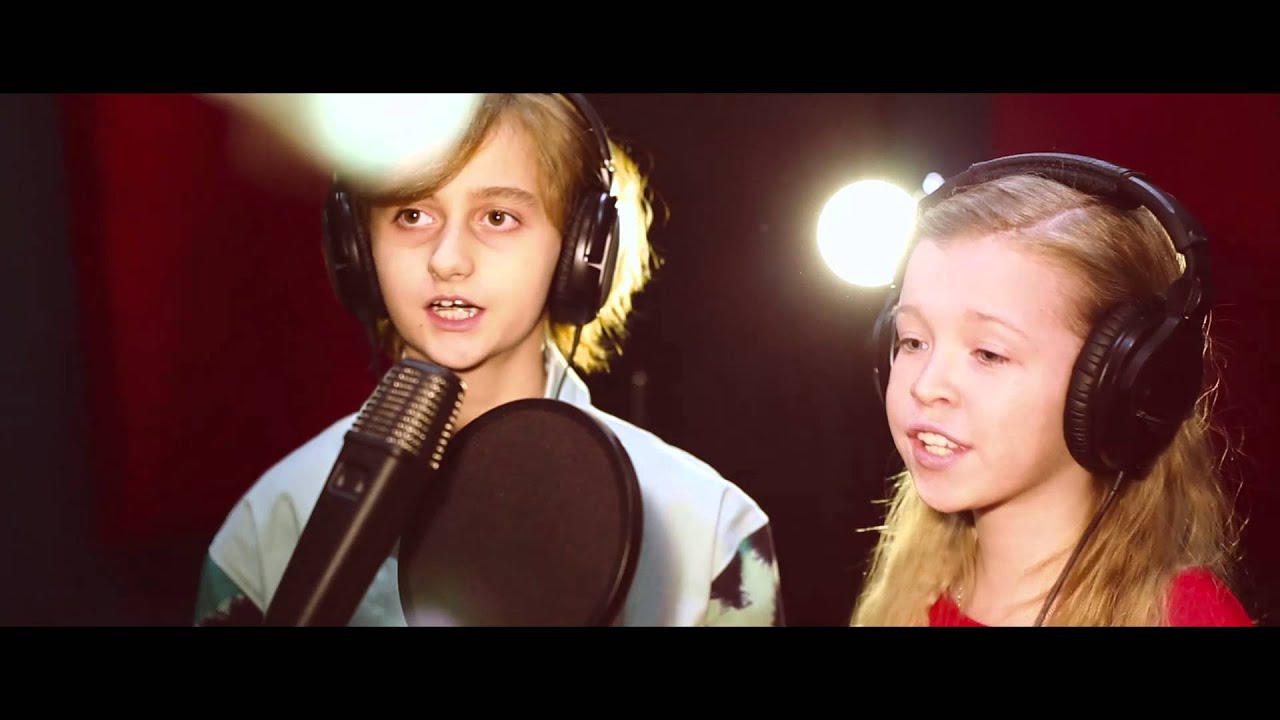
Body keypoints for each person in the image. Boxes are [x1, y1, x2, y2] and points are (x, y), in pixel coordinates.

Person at [192, 93, 783, 627]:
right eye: (412, 215)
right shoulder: (274, 523)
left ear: (582, 252)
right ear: (356, 249)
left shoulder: (706, 531)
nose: (448, 259)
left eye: (498, 217)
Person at [851, 153, 1252, 627]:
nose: (926, 386)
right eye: (912, 341)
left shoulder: (1183, 618)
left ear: (1118, 382)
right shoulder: (913, 589)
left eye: (988, 354)